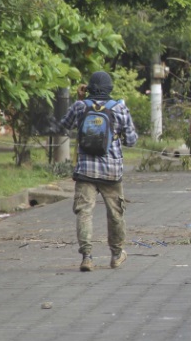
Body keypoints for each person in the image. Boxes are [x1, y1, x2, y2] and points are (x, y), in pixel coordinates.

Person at [59, 71, 138, 272]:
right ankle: (117, 254)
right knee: (115, 213)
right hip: (112, 171)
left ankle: (87, 257)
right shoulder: (119, 108)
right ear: (110, 88)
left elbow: (63, 126)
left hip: (85, 170)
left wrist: (80, 99)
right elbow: (131, 140)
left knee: (84, 213)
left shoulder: (80, 106)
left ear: (90, 88)